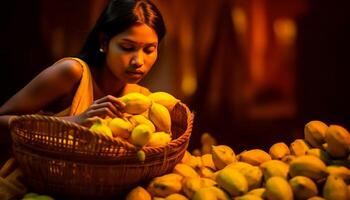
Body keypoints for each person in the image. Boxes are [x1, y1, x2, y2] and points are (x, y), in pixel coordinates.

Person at [0, 0, 166, 163]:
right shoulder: (71, 72)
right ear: (104, 42)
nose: (138, 61)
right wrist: (76, 121)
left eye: (149, 50)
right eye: (127, 48)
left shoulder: (140, 97)